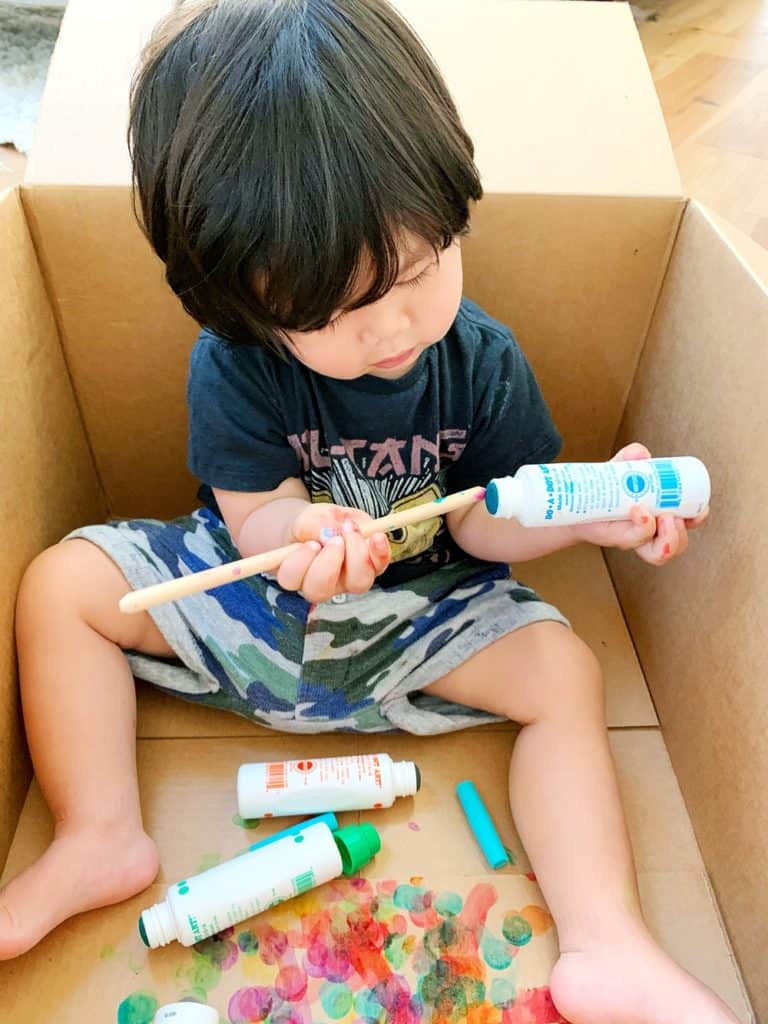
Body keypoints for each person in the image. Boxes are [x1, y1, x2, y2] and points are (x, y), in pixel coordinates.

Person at [2, 3, 734, 1022]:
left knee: (565, 671)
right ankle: (98, 832)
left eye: (422, 270)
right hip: (261, 609)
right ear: (242, 304)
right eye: (337, 312)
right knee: (60, 584)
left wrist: (582, 519)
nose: (394, 324)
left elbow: (487, 524)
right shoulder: (234, 368)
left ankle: (608, 941)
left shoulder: (480, 362)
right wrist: (291, 538)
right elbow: (250, 515)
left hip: (418, 618)